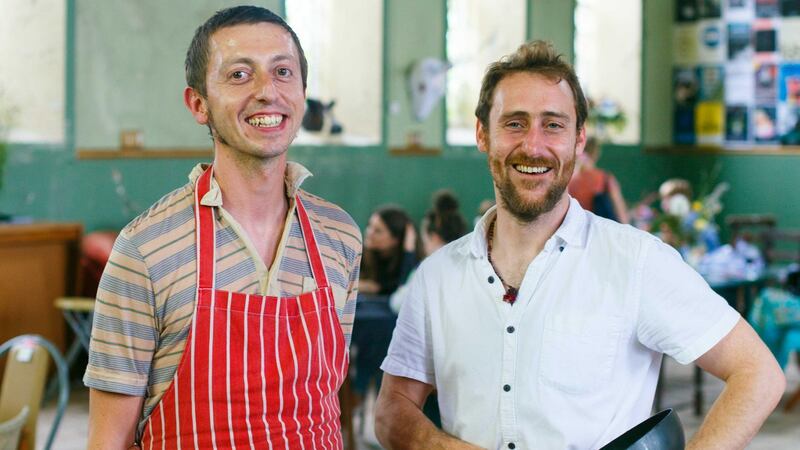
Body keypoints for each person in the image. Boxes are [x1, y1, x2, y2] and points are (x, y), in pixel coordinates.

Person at [375, 40, 785, 449]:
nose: (533, 145)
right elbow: (394, 407)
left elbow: (758, 373)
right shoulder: (437, 277)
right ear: (483, 134)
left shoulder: (636, 261)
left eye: (553, 124)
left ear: (579, 140)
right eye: (514, 123)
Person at [83, 7, 362, 449]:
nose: (267, 91)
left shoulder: (340, 237)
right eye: (238, 75)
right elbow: (107, 441)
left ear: (303, 94)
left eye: (283, 72)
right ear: (198, 104)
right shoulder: (146, 251)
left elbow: (323, 401)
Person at [358, 206, 420, 296]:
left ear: (395, 240)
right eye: (369, 226)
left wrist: (409, 252)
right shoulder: (359, 253)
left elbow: (403, 292)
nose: (369, 232)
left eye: (378, 231)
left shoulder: (409, 260)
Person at [568, 136, 629, 223]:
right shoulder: (604, 179)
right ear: (596, 154)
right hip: (600, 231)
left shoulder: (569, 181)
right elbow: (621, 214)